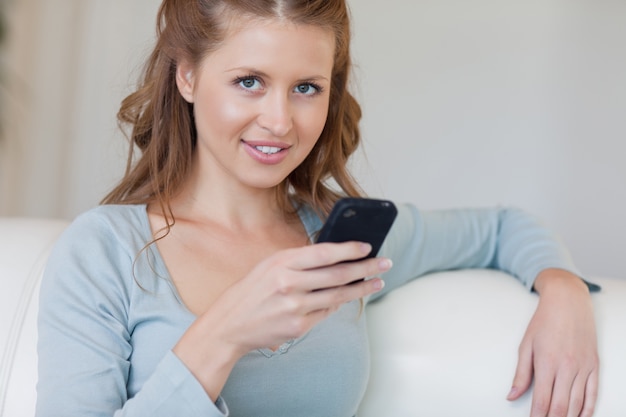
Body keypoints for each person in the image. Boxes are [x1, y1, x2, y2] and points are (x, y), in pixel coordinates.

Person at [36, 1, 600, 416]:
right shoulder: (104, 251)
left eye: (306, 87)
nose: (280, 122)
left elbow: (502, 228)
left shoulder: (344, 248)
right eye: (249, 81)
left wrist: (564, 293)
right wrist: (223, 335)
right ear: (187, 75)